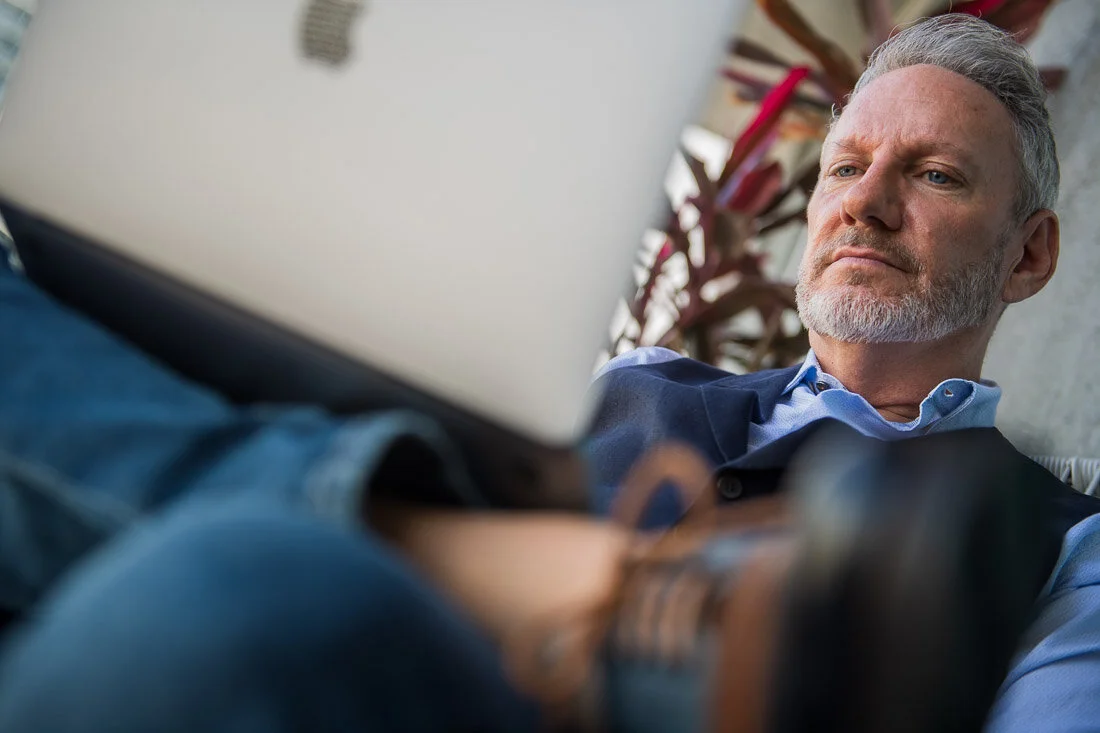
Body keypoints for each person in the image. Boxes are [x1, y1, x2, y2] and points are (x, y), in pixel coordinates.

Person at [0, 12, 1097, 732]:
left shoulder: (1063, 546)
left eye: (934, 173)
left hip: (324, 648)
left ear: (1028, 253)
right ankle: (476, 552)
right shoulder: (625, 381)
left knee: (218, 603)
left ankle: (450, 554)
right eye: (846, 165)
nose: (861, 198)